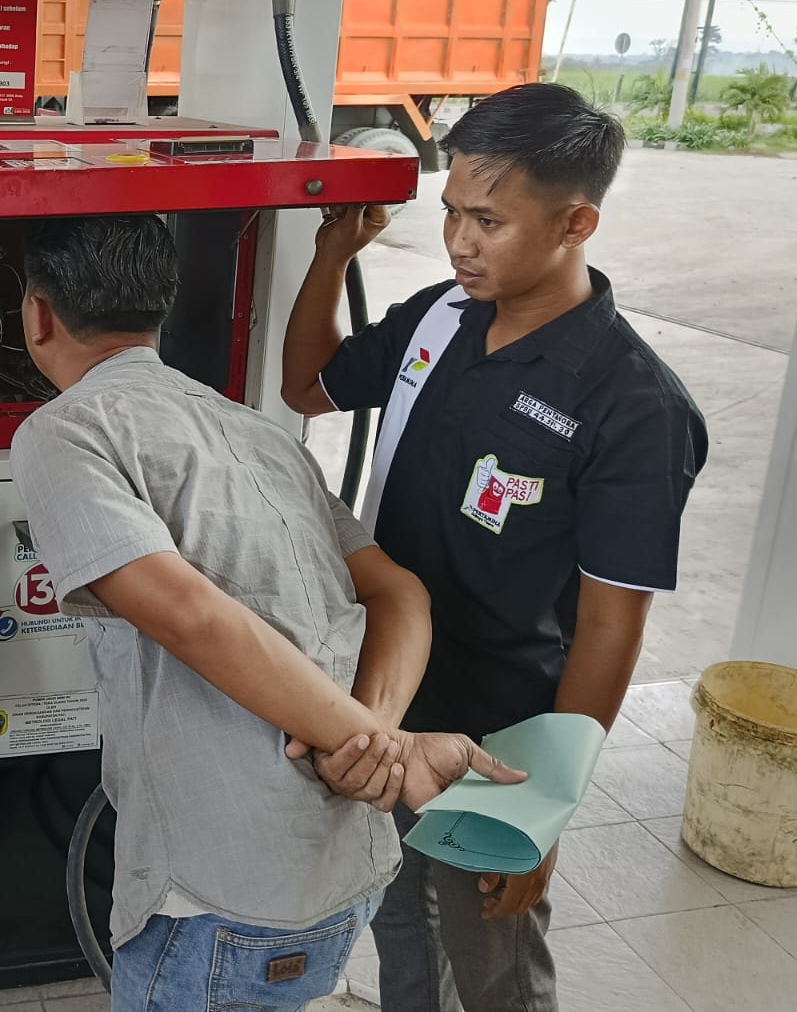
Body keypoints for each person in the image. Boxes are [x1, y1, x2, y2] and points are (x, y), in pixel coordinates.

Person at [9, 214, 525, 1012]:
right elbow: (402, 593)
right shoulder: (257, 430)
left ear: (38, 314)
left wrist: (366, 743)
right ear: (161, 312)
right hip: (344, 864)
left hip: (220, 894)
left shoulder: (65, 431)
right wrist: (378, 737)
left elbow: (190, 615)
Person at [280, 83, 709, 1012]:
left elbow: (607, 627)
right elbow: (308, 386)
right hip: (388, 699)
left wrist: (544, 808)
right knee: (395, 921)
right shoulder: (440, 318)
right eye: (451, 215)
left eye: (489, 220)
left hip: (499, 742)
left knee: (493, 965)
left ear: (575, 222)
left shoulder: (634, 407)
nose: (461, 243)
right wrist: (329, 255)